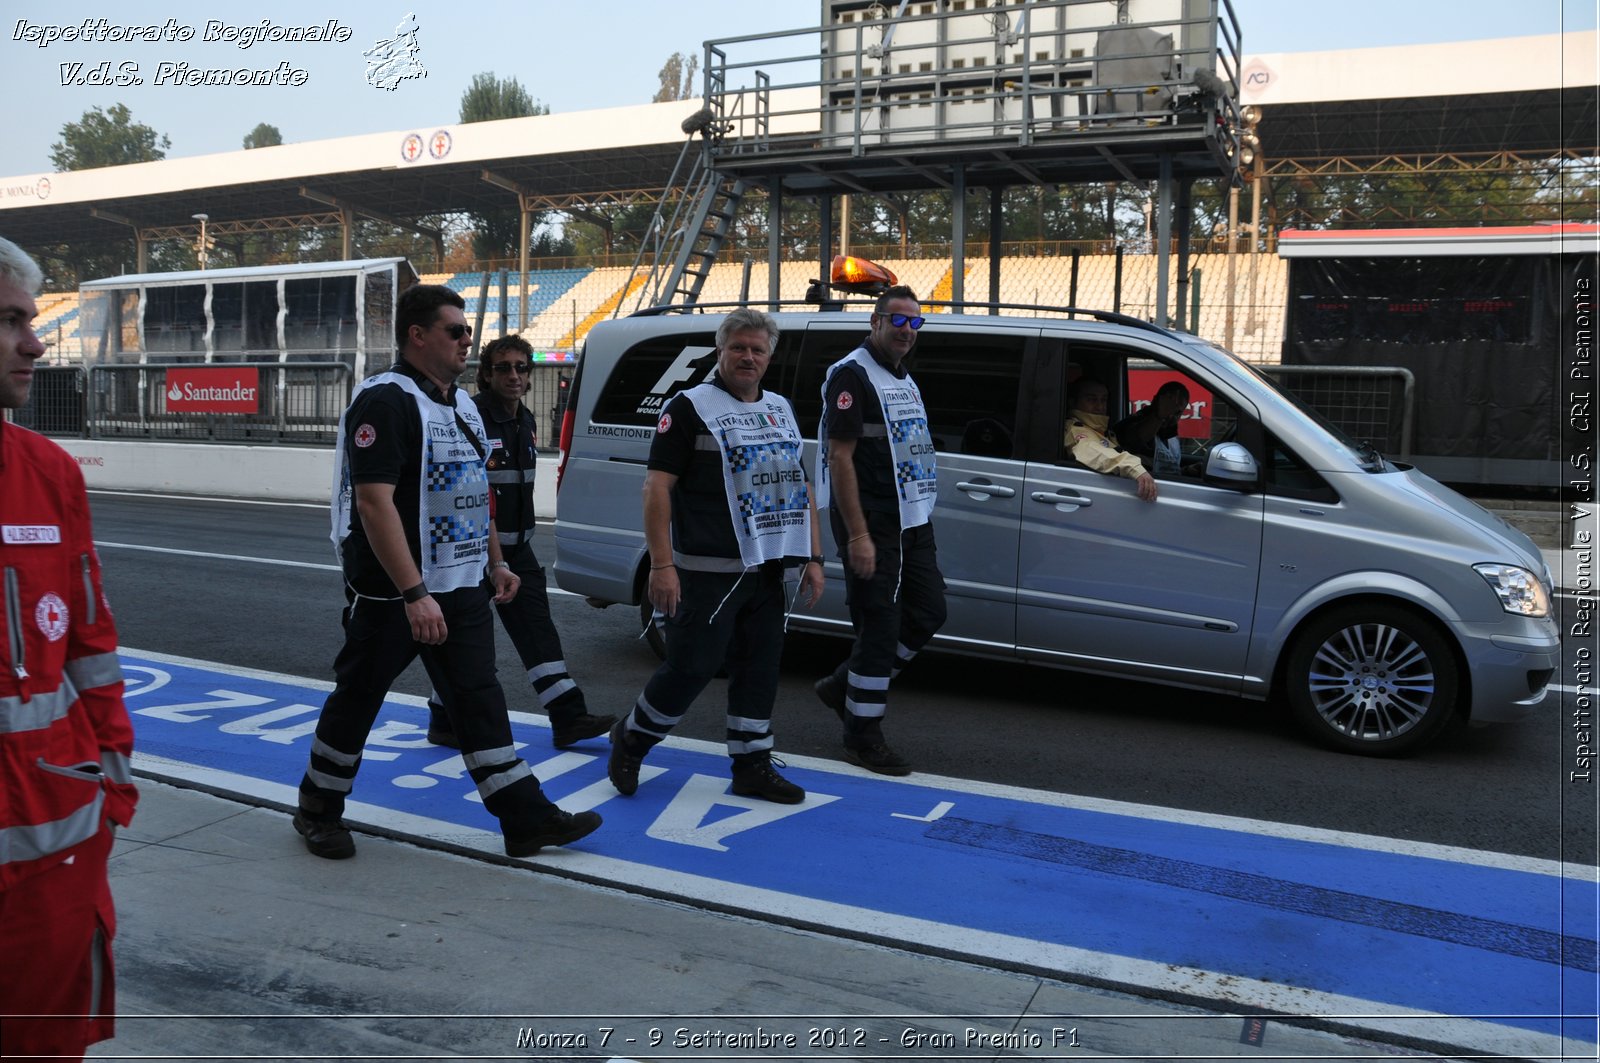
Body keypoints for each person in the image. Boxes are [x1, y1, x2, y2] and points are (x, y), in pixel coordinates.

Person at [296, 284, 600, 860]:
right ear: (418, 336)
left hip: (460, 587)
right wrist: (413, 593)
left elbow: (472, 491)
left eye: (467, 331)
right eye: (456, 330)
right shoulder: (385, 401)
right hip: (395, 594)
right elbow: (372, 503)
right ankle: (317, 809)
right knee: (358, 698)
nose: (468, 340)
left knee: (479, 699)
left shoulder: (460, 404)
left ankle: (525, 819)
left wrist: (494, 561)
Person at [0, 236, 139, 1061]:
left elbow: (90, 645)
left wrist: (110, 788)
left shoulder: (50, 471)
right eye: (10, 321)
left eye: (32, 318)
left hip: (58, 857)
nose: (35, 341)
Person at [607, 308, 824, 803]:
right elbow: (656, 488)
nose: (748, 356)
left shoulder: (781, 409)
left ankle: (751, 765)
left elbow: (800, 485)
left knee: (760, 668)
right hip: (705, 572)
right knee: (690, 668)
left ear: (770, 357)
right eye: (738, 347)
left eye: (757, 349)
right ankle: (632, 739)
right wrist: (662, 566)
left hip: (766, 569)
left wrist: (813, 555)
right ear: (720, 351)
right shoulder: (689, 407)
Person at [424, 335, 614, 751]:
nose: (514, 375)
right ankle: (442, 720)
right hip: (471, 553)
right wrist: (489, 558)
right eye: (504, 367)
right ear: (486, 375)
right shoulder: (467, 415)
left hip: (519, 551)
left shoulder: (525, 419)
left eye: (521, 367)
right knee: (465, 645)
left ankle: (568, 717)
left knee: (538, 632)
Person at [813, 285, 947, 776]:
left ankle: (842, 686)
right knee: (880, 627)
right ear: (875, 322)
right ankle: (861, 736)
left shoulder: (901, 376)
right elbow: (839, 457)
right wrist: (857, 535)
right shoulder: (852, 375)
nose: (907, 331)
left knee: (930, 611)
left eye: (915, 323)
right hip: (871, 521)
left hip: (911, 518)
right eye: (898, 321)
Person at [1064, 377, 1159, 502]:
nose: (1099, 406)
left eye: (1103, 400)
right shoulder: (1074, 429)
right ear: (1072, 402)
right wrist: (1134, 468)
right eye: (1091, 399)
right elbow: (1092, 450)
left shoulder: (1100, 429)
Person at [1112, 380, 1190, 475]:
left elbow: (1166, 470)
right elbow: (1136, 440)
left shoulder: (1171, 436)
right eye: (1168, 406)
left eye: (1177, 411)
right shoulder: (1131, 424)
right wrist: (1160, 416)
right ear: (1155, 400)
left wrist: (1185, 471)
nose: (1170, 414)